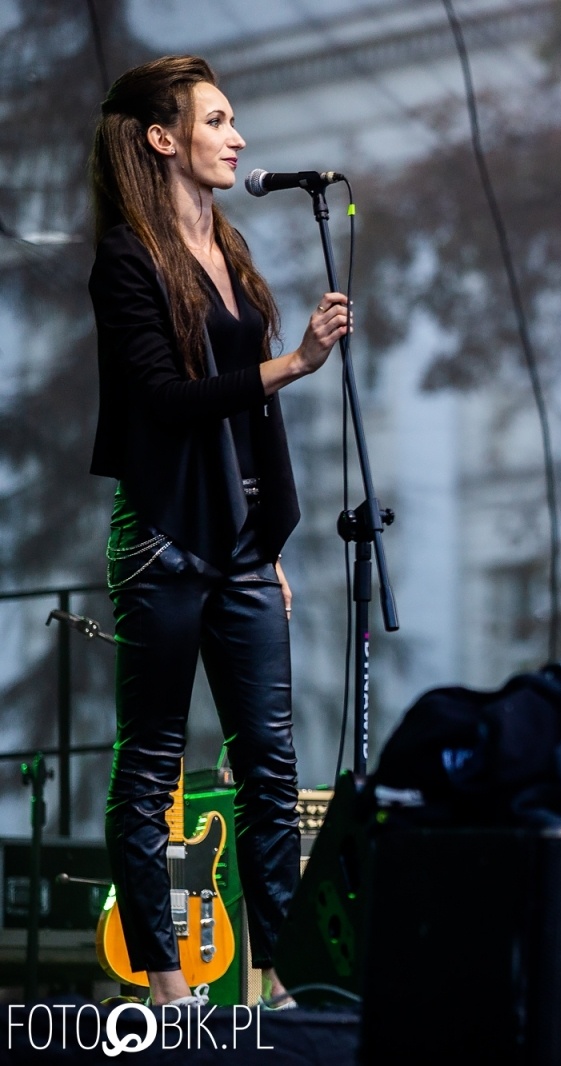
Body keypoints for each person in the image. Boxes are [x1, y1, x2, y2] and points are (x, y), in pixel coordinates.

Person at [88, 55, 348, 1008]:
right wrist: (296, 363)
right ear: (164, 138)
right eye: (218, 121)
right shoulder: (126, 258)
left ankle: (279, 979)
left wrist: (268, 547)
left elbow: (247, 423)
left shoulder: (229, 247)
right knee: (152, 760)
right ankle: (163, 977)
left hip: (240, 544)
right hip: (164, 536)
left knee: (269, 765)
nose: (237, 138)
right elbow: (164, 399)